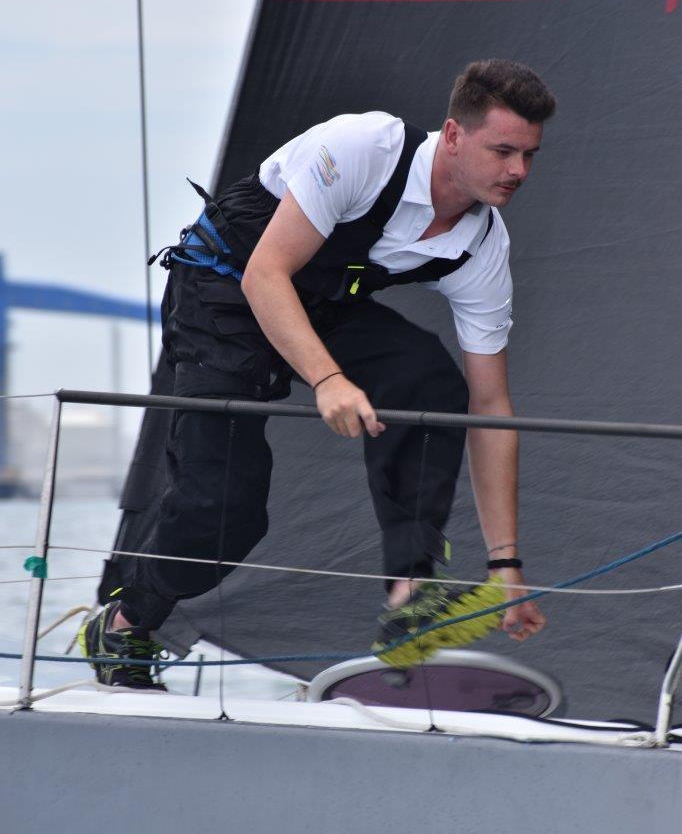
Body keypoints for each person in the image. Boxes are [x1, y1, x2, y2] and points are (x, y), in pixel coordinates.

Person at [80, 59, 554, 689]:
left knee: (431, 380)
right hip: (223, 292)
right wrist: (329, 380)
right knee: (226, 513)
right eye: (503, 151)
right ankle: (124, 622)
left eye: (529, 155)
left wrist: (505, 564)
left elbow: (490, 407)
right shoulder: (362, 147)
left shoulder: (481, 245)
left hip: (319, 307)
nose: (519, 171)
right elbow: (263, 276)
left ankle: (409, 592)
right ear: (453, 134)